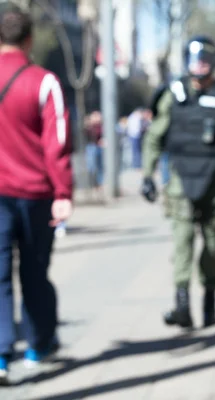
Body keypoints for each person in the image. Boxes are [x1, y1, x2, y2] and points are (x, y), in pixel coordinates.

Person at [141, 36, 215, 329]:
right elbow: (154, 137)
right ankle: (182, 306)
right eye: (194, 58)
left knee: (212, 248)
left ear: (214, 62)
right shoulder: (173, 95)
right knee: (182, 243)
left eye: (205, 58)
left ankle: (209, 301)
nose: (199, 64)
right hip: (180, 182)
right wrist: (147, 175)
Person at [0, 7, 72, 384]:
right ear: (29, 40)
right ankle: (37, 344)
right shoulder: (44, 82)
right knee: (34, 271)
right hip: (35, 193)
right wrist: (63, 191)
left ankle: (0, 354)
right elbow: (56, 142)